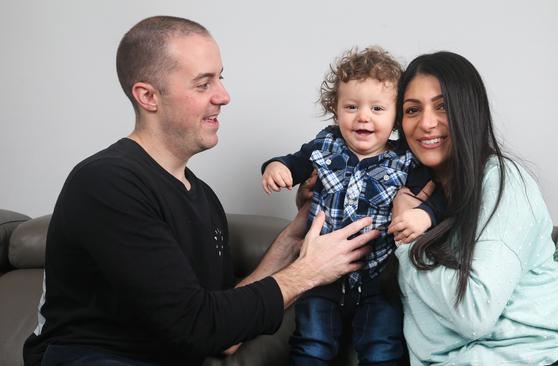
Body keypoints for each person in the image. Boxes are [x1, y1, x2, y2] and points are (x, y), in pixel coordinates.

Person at [22, 16, 380, 366]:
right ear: (148, 96)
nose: (223, 96)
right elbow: (197, 327)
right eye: (203, 83)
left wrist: (294, 237)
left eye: (220, 79)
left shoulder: (203, 197)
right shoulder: (107, 182)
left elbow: (221, 327)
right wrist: (311, 271)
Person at [387, 51, 558, 365]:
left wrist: (406, 236)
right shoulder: (403, 194)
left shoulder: (503, 183)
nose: (426, 123)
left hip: (543, 355)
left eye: (443, 106)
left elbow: (473, 314)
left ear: (469, 112)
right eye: (412, 110)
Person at [261, 47, 437, 365]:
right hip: (320, 274)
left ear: (396, 115)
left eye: (377, 108)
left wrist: (424, 215)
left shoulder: (405, 159)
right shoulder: (326, 144)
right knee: (311, 344)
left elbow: (436, 197)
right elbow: (295, 162)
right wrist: (277, 168)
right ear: (336, 109)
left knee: (382, 347)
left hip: (378, 278)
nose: (363, 117)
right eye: (352, 106)